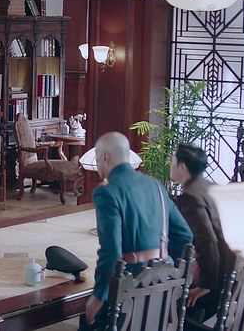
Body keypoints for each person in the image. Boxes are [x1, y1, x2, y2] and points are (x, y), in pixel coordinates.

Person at [82, 132, 194, 330]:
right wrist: (166, 268)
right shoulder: (156, 185)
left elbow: (111, 251)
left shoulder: (107, 192)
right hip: (164, 292)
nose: (97, 164)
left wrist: (99, 294)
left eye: (97, 158)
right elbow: (186, 236)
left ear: (105, 157)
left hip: (130, 289)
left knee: (88, 320)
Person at [170, 143, 236, 325]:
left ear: (182, 167)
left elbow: (207, 241)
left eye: (173, 161)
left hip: (216, 281)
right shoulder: (211, 186)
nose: (170, 165)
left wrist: (206, 285)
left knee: (168, 298)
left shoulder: (190, 197)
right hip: (232, 272)